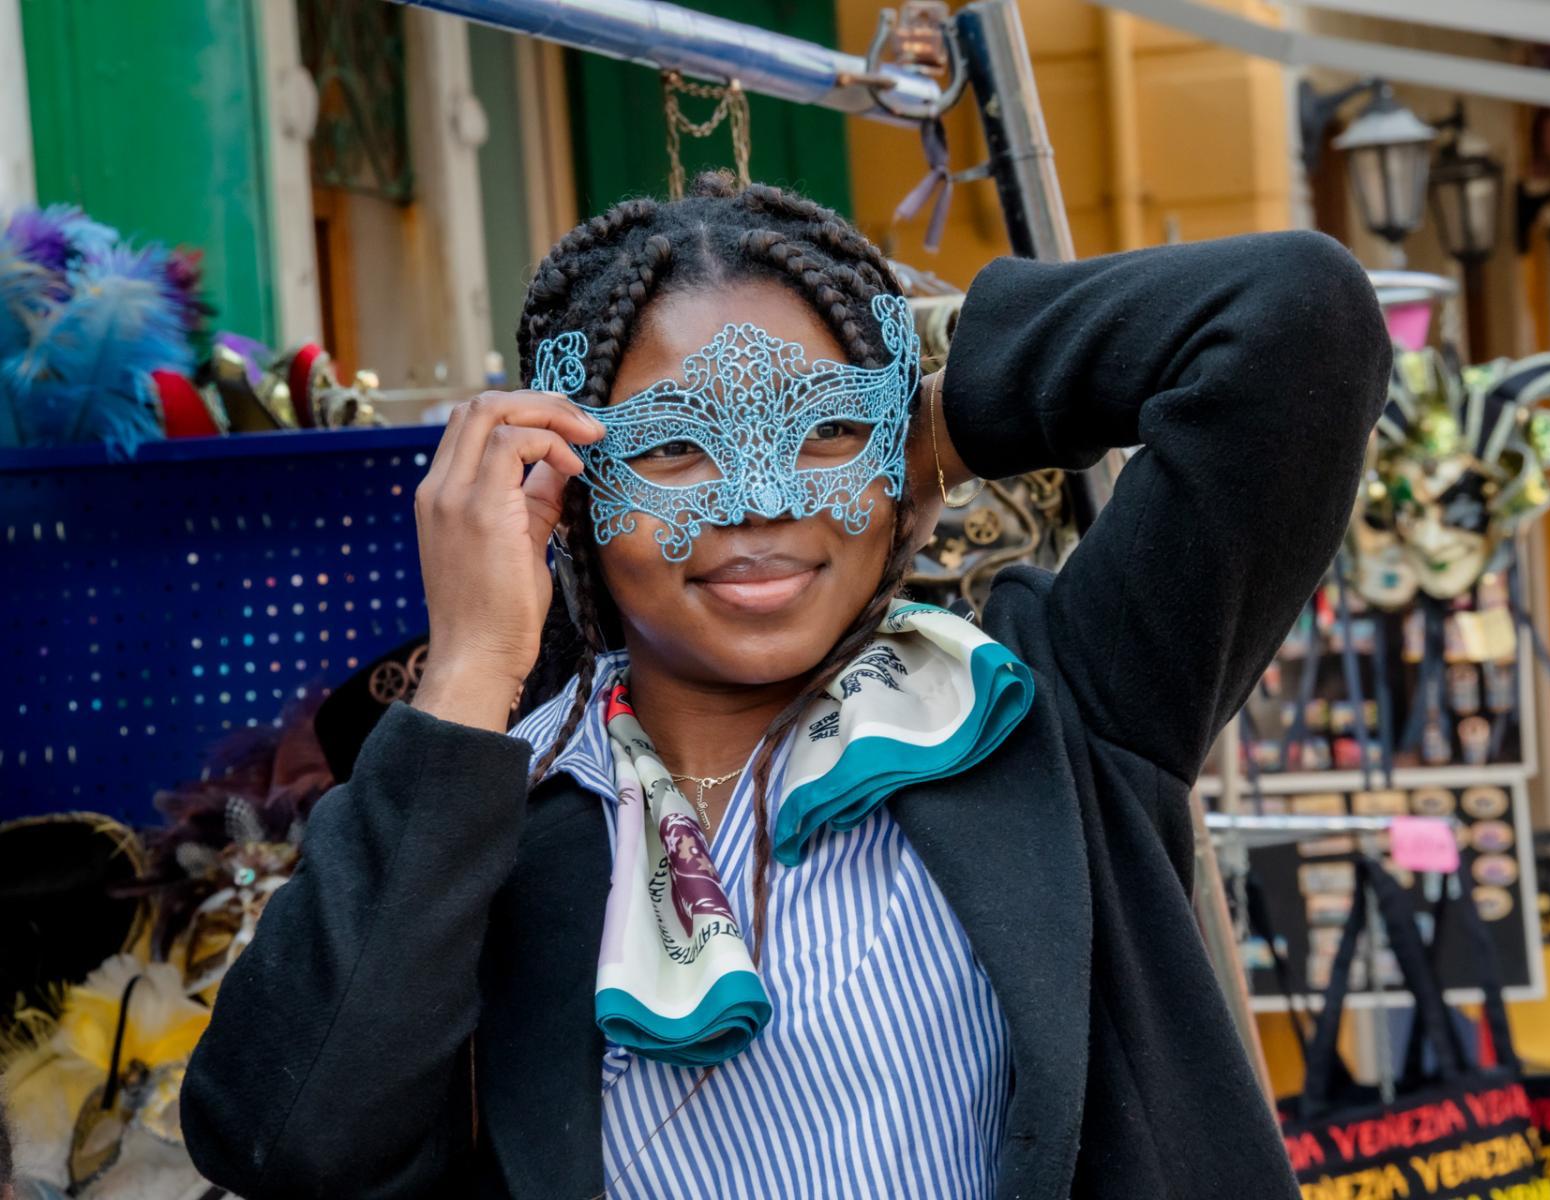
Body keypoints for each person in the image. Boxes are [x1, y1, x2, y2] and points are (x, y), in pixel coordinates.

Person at [181, 174, 1389, 1198]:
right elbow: (285, 1136)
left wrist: (937, 410)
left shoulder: (1034, 715)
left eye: (821, 430)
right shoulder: (493, 817)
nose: (761, 498)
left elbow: (1294, 320)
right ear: (573, 480)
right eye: (672, 444)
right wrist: (469, 670)